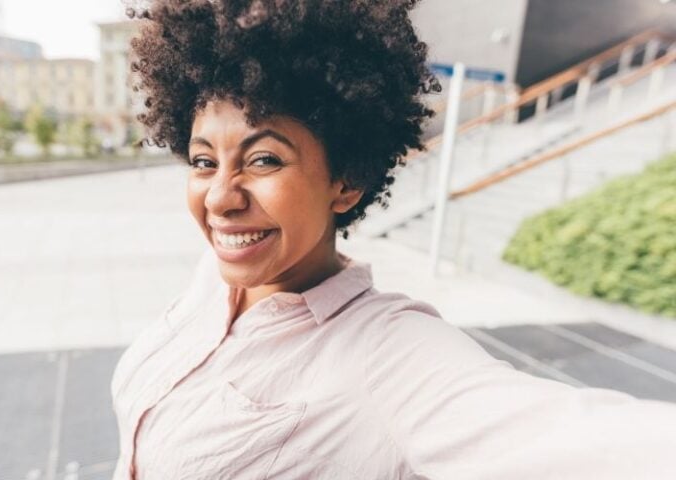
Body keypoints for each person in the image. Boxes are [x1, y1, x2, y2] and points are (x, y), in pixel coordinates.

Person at [111, 1, 676, 479]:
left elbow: (579, 439)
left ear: (346, 180)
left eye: (263, 159)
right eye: (204, 161)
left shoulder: (389, 356)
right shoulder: (214, 276)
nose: (219, 198)